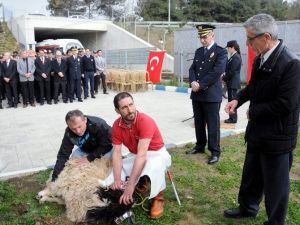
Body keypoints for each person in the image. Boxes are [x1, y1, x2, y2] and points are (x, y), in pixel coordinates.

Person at [224, 14, 300, 225]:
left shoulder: (291, 64)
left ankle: (275, 221)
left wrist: (255, 111)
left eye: (250, 39)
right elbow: (252, 88)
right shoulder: (261, 57)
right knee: (252, 175)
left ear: (266, 37)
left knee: (276, 184)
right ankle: (247, 207)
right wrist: (237, 100)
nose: (247, 44)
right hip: (258, 132)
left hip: (278, 135)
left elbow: (287, 103)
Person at [104, 92, 171, 219]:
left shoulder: (145, 121)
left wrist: (130, 186)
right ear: (117, 110)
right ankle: (130, 185)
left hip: (157, 153)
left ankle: (158, 197)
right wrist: (118, 179)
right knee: (116, 172)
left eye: (131, 104)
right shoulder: (116, 125)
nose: (130, 110)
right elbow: (117, 153)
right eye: (124, 107)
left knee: (152, 164)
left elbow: (142, 155)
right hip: (136, 154)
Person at [186, 24, 227, 164]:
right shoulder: (199, 51)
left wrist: (200, 84)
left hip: (211, 95)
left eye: (205, 37)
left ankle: (215, 151)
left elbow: (216, 72)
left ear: (212, 35)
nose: (202, 40)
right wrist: (192, 82)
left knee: (213, 124)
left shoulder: (221, 52)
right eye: (200, 37)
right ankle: (200, 145)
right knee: (198, 122)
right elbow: (192, 69)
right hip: (197, 94)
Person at [51, 109, 113, 182]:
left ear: (85, 120)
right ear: (68, 126)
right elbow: (63, 154)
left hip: (104, 150)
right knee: (73, 160)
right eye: (73, 129)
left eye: (79, 127)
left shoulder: (99, 124)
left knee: (111, 161)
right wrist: (55, 177)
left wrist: (89, 158)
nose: (78, 131)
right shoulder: (68, 132)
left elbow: (107, 145)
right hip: (85, 150)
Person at [222, 40, 242, 123]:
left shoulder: (236, 57)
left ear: (233, 47)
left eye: (228, 48)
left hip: (233, 83)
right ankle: (232, 117)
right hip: (231, 82)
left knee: (232, 101)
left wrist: (224, 78)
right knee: (230, 100)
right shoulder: (233, 56)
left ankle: (233, 119)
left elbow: (231, 72)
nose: (227, 49)